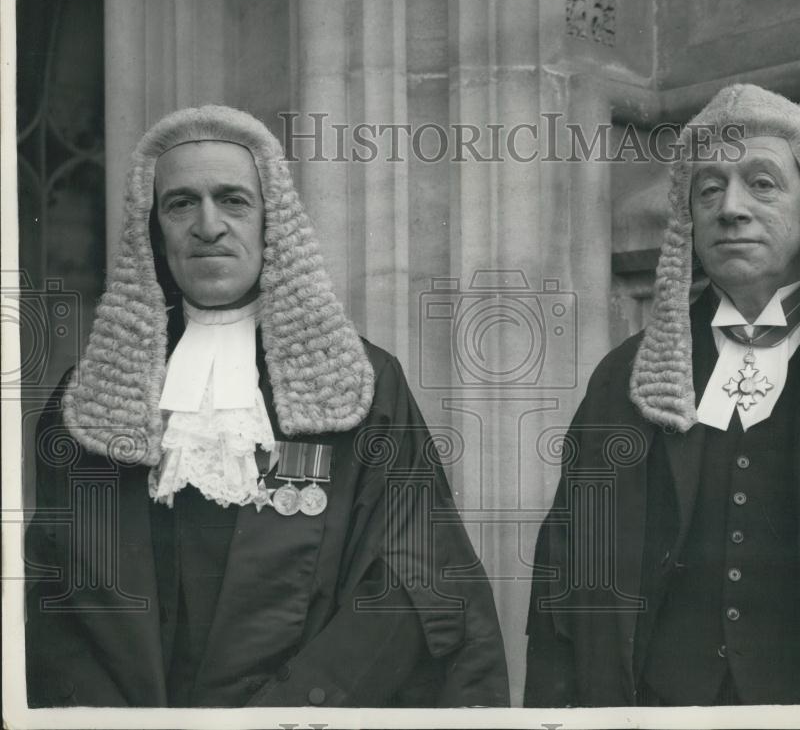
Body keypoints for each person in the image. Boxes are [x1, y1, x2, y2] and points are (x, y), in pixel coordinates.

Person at [24, 105, 509, 708]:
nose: (208, 226)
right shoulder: (92, 395)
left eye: (233, 201)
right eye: (180, 204)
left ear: (271, 222)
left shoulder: (362, 385)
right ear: (153, 228)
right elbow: (55, 593)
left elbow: (416, 581)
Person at [524, 84, 800, 706]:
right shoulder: (624, 380)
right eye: (708, 189)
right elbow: (563, 579)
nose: (730, 207)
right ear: (688, 219)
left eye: (762, 183)